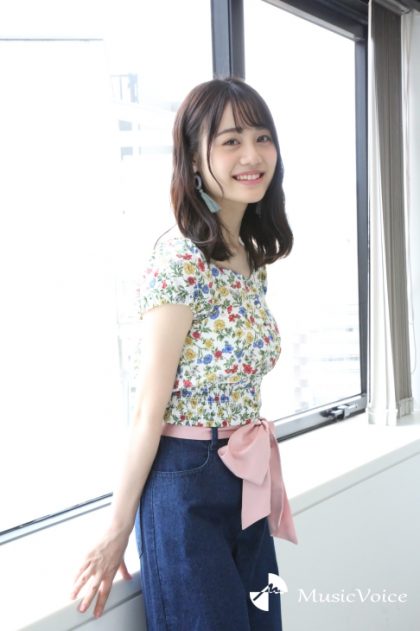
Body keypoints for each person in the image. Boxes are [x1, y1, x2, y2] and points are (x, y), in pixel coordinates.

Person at [71, 77, 298, 631]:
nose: (252, 155)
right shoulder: (180, 260)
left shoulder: (250, 259)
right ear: (195, 160)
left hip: (246, 475)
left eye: (262, 137)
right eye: (230, 141)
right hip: (186, 482)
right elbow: (148, 409)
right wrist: (117, 528)